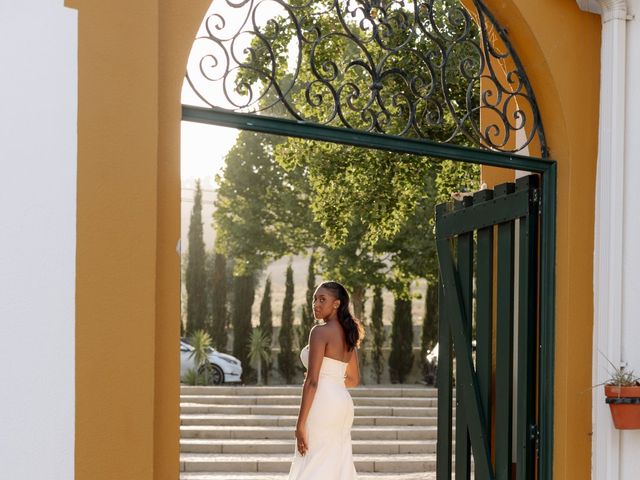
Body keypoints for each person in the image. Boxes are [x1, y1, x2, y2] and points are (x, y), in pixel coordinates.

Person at [287, 281, 365, 480]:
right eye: (314, 299)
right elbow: (354, 379)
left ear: (337, 304)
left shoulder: (319, 332)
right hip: (342, 402)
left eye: (323, 299)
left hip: (323, 403)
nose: (316, 304)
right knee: (336, 461)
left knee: (315, 462)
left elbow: (312, 382)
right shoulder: (349, 334)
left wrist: (299, 425)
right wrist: (331, 381)